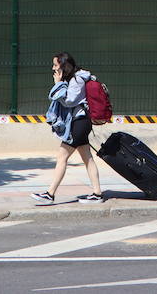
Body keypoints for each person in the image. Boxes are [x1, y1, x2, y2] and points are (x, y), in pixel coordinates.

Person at [31, 52, 103, 204]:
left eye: (56, 65)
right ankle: (97, 193)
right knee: (87, 158)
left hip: (79, 123)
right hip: (80, 122)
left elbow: (69, 101)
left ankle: (50, 194)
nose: (53, 68)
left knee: (62, 157)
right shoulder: (72, 79)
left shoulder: (77, 80)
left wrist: (57, 83)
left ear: (64, 66)